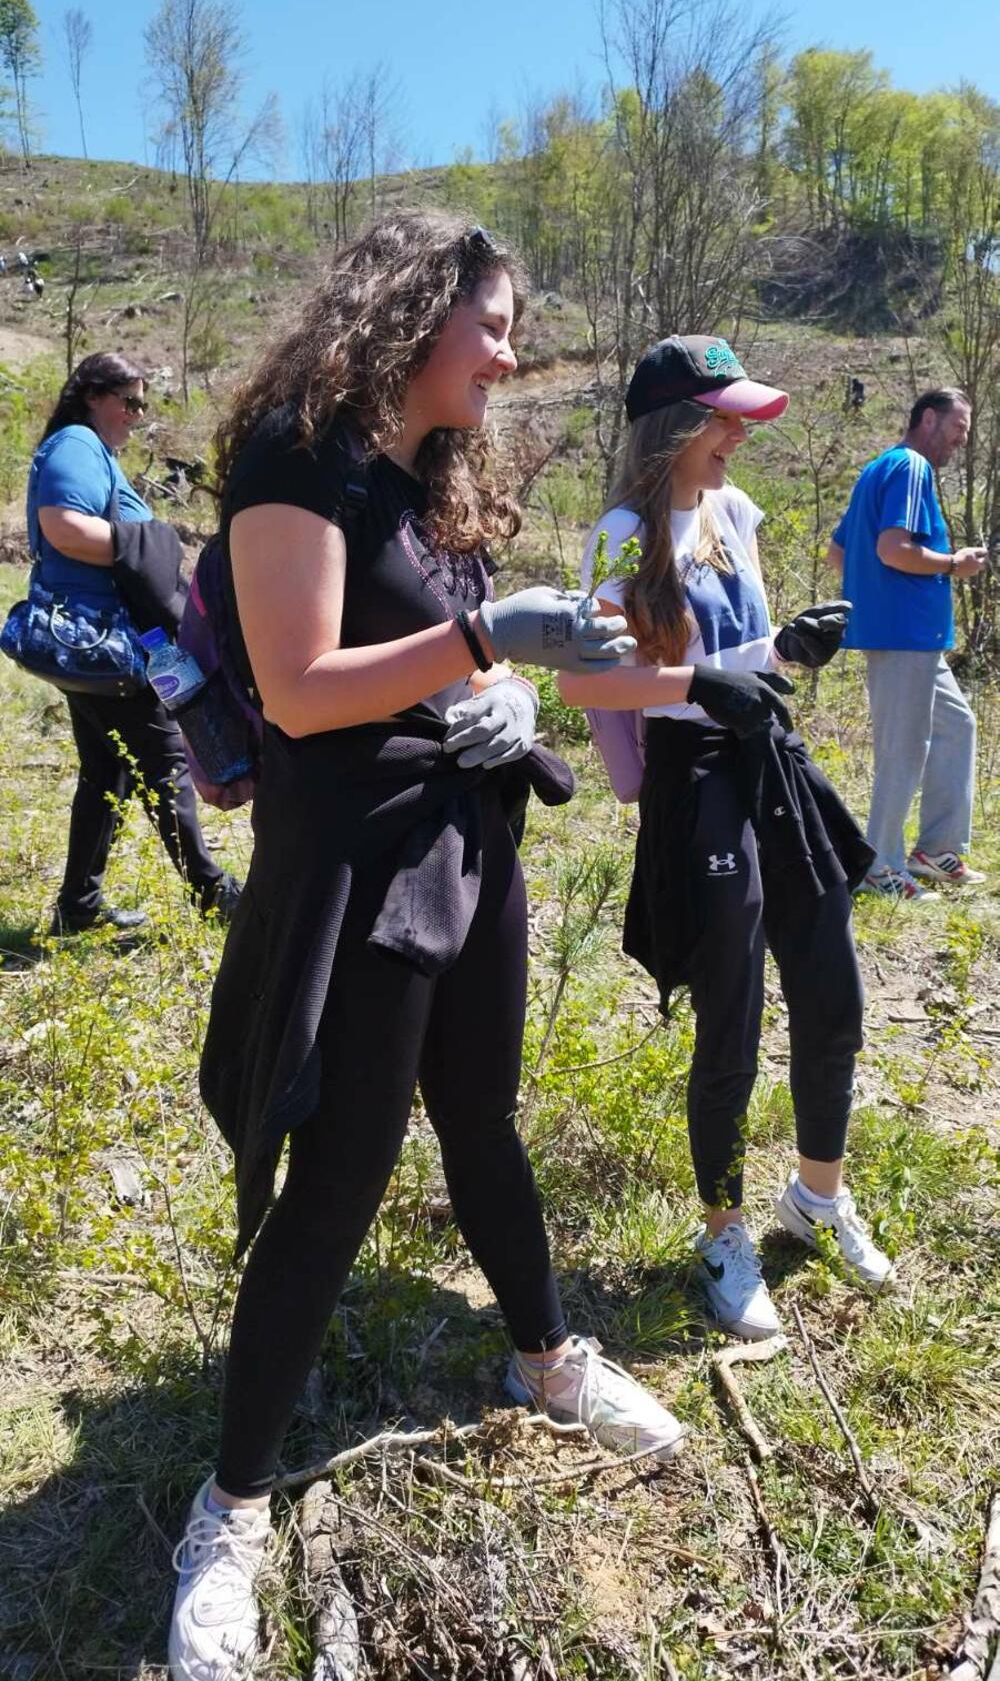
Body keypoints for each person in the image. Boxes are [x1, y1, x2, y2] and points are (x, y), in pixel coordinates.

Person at [169, 216, 749, 1681]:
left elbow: (510, 662)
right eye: (491, 322)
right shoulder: (297, 461)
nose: (509, 350)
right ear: (413, 315)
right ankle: (226, 1514)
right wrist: (488, 644)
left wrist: (604, 674)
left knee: (480, 1108)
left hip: (468, 837)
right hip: (363, 863)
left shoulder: (431, 486)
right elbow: (303, 691)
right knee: (346, 1170)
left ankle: (545, 1352)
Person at [560, 334, 892, 1349]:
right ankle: (721, 1235)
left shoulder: (735, 513)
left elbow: (733, 656)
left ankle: (816, 1198)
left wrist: (781, 649)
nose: (738, 435)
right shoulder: (623, 533)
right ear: (670, 426)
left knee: (832, 991)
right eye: (722, 419)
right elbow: (583, 680)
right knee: (732, 1022)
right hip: (693, 781)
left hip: (769, 760)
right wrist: (696, 684)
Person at [25, 353, 239, 934]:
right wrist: (151, 542)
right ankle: (216, 895)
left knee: (107, 773)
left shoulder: (95, 451)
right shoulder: (76, 442)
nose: (139, 415)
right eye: (131, 401)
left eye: (144, 403)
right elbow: (63, 526)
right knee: (167, 761)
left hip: (92, 643)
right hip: (102, 643)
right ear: (94, 395)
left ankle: (78, 906)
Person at [828, 388, 987, 900]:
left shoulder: (879, 469)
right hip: (904, 638)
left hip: (910, 639)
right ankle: (879, 866)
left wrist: (877, 594)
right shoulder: (912, 469)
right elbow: (892, 548)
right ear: (927, 419)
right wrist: (951, 564)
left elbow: (839, 553)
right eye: (958, 429)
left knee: (957, 725)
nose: (960, 441)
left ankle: (933, 850)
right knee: (902, 750)